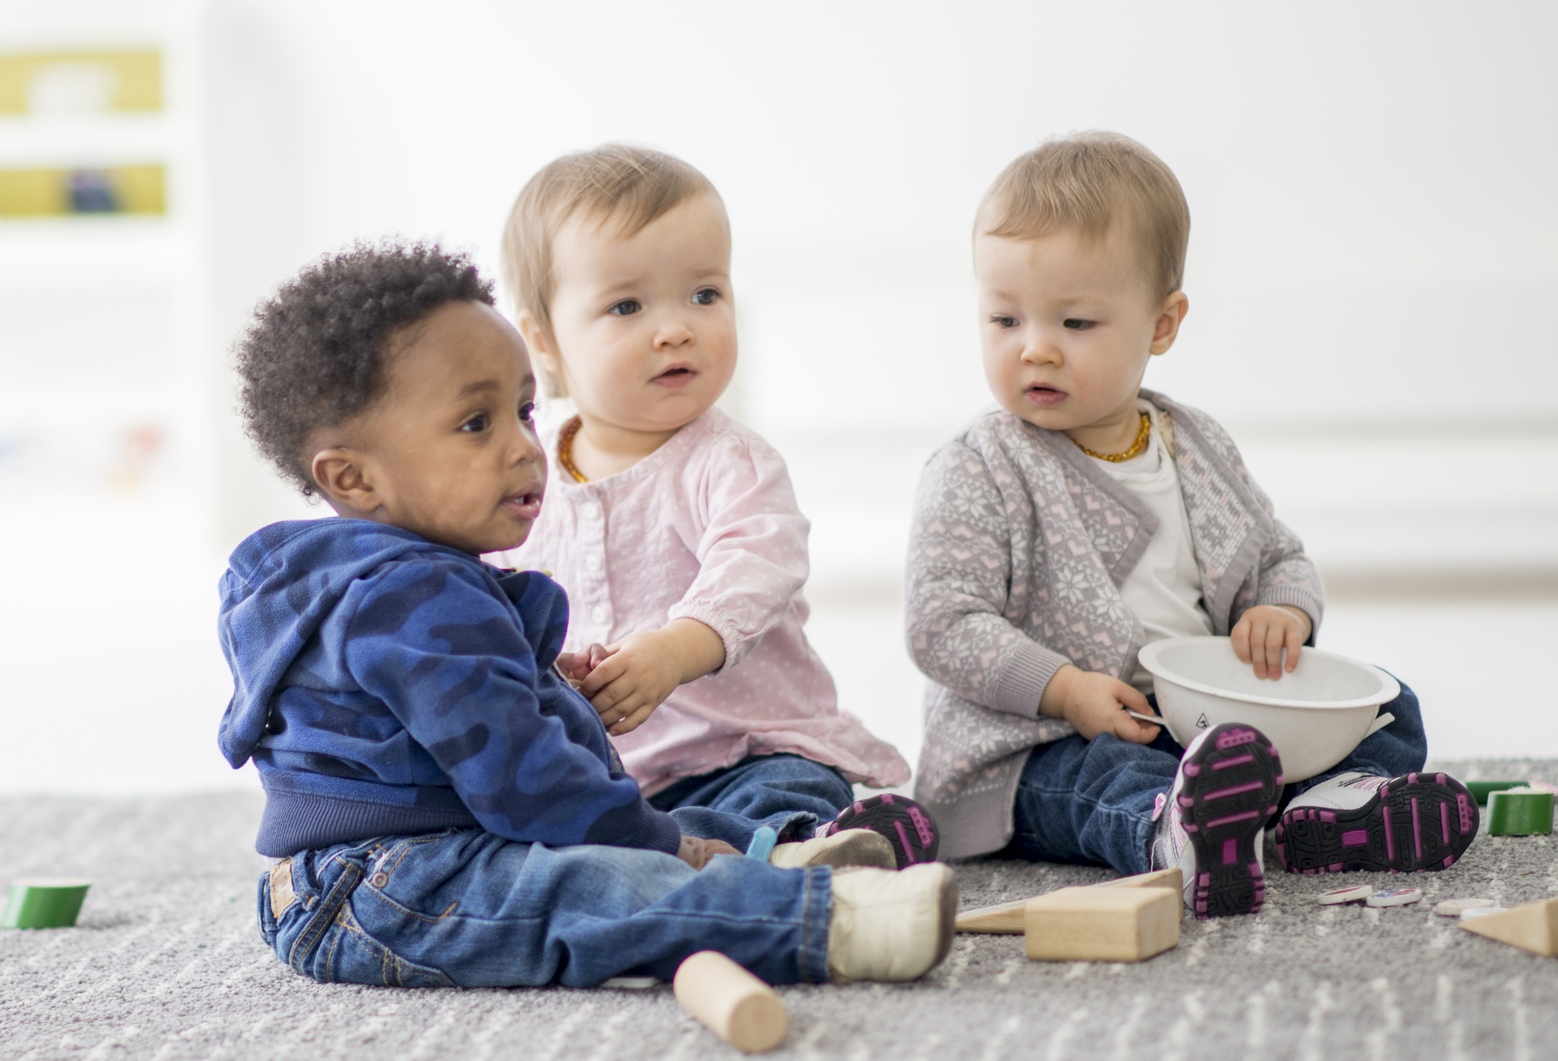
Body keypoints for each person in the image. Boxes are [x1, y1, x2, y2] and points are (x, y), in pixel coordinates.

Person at [217, 240, 955, 987]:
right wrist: (659, 847)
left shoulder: (375, 581)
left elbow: (441, 729)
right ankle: (822, 917)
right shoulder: (410, 599)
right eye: (476, 424)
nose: (523, 446)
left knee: (644, 824)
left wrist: (544, 686)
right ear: (352, 475)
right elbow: (526, 782)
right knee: (588, 887)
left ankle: (779, 852)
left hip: (418, 852)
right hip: (384, 887)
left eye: (524, 409)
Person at [906, 132, 1476, 917]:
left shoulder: (1195, 443)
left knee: (1388, 705)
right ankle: (1174, 831)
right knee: (1106, 775)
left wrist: (1280, 612)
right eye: (1004, 319)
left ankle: (1331, 811)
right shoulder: (980, 464)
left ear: (1162, 324)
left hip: (1196, 724)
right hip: (1040, 742)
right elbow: (940, 623)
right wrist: (1065, 690)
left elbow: (1278, 556)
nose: (1034, 348)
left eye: (1074, 323)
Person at [493, 145, 936, 868]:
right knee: (541, 823)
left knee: (788, 784)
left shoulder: (728, 460)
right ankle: (699, 856)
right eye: (627, 305)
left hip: (743, 745)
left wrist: (674, 648)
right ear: (543, 341)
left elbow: (755, 564)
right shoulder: (518, 470)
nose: (676, 328)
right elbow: (487, 590)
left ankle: (808, 847)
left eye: (704, 294)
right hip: (608, 769)